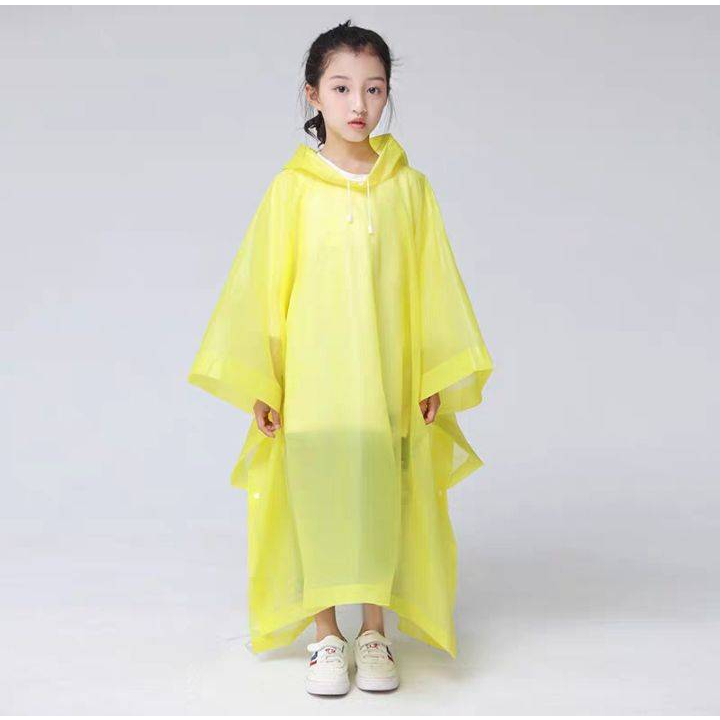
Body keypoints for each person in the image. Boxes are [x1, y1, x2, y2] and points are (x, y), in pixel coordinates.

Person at [187, 19, 494, 696]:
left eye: (374, 89)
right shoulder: (292, 189)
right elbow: (263, 290)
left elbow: (433, 286)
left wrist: (432, 372)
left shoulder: (408, 189)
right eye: (342, 88)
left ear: (388, 95)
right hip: (315, 380)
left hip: (385, 377)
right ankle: (327, 633)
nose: (359, 104)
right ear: (313, 94)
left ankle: (374, 629)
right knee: (317, 490)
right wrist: (266, 382)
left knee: (384, 488)